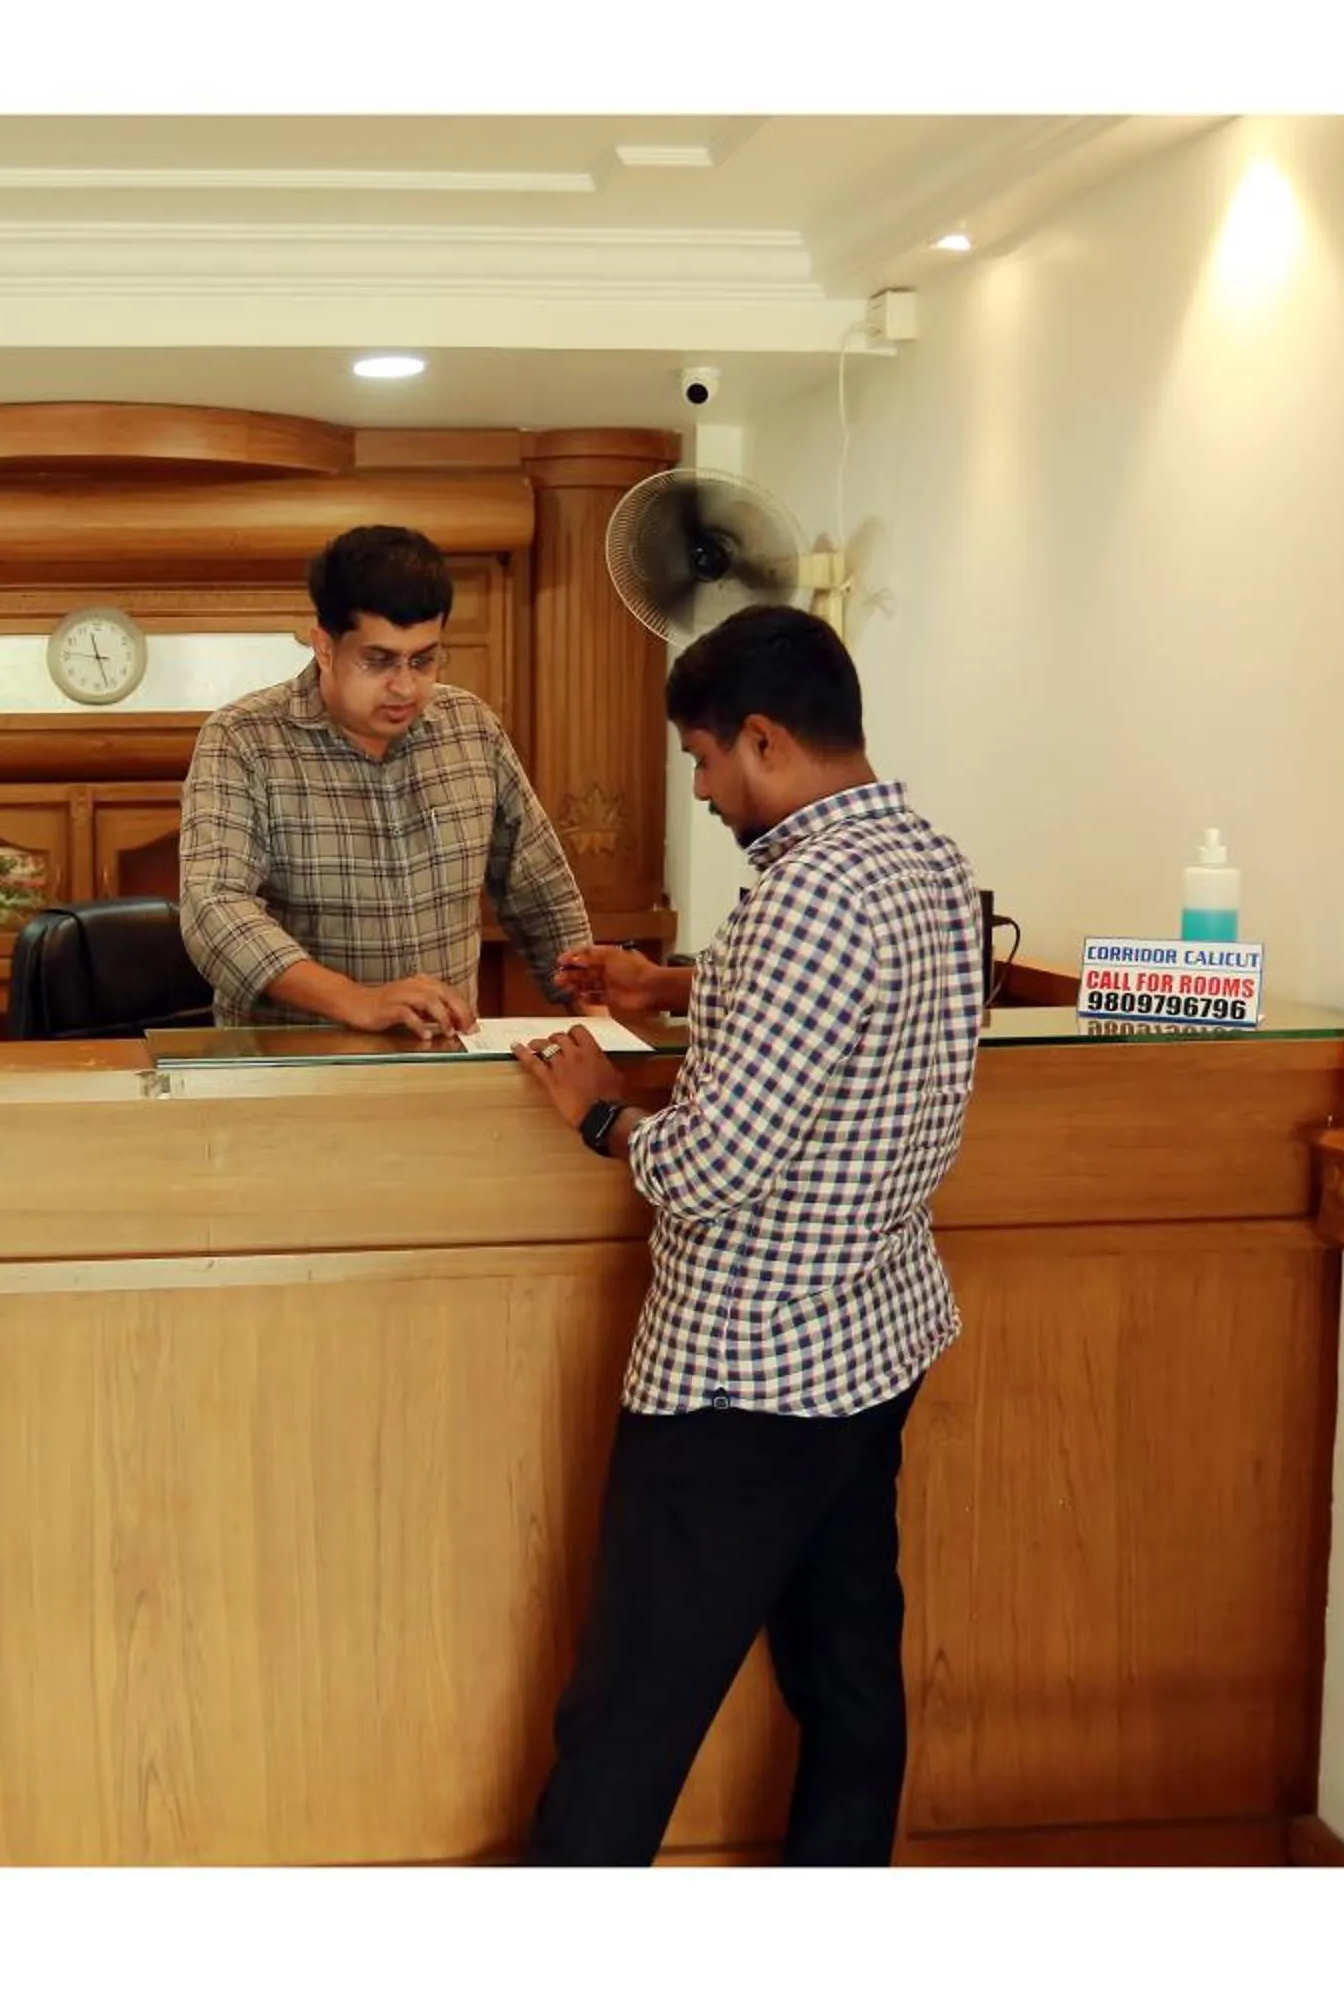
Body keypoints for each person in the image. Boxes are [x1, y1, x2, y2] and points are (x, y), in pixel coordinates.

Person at [507, 601, 984, 1866]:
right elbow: (841, 1005)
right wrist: (672, 986)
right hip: (871, 1347)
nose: (707, 791)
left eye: (706, 760)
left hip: (742, 1381)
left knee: (630, 1713)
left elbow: (708, 1165)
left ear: (764, 739)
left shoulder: (801, 902)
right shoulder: (924, 859)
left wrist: (601, 1113)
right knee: (848, 1682)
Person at [178, 524, 592, 1036]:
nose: (405, 686)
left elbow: (538, 885)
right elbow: (214, 907)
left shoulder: (471, 727)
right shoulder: (243, 739)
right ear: (324, 648)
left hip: (445, 1057)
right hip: (293, 1066)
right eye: (378, 661)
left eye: (423, 659)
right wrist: (357, 1001)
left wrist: (600, 1021)